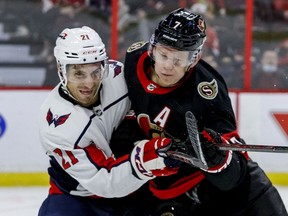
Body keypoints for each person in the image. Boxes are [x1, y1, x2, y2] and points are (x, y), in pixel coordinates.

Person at [123, 8, 288, 215]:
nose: (167, 66)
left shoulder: (207, 90)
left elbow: (233, 175)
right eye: (163, 55)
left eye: (178, 60)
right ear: (152, 47)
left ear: (194, 58)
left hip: (235, 193)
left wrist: (218, 160)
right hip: (172, 193)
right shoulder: (132, 62)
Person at [38, 26, 180, 216]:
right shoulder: (57, 124)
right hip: (78, 197)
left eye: (95, 72)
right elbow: (104, 181)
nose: (89, 83)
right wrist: (147, 160)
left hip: (133, 190)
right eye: (79, 74)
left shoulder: (119, 78)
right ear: (61, 70)